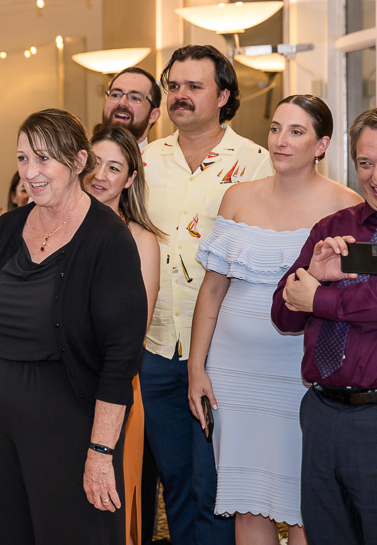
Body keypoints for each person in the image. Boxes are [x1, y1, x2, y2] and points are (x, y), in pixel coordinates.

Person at [0, 109, 146, 543]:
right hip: (1, 431)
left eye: (44, 159)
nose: (30, 173)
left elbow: (120, 360)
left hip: (70, 430)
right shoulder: (8, 227)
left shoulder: (108, 239)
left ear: (79, 161)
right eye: (23, 159)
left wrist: (100, 453)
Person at [185, 95, 358, 545]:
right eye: (276, 128)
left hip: (302, 376)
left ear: (321, 145)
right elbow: (212, 290)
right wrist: (196, 368)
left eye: (296, 132)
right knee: (248, 501)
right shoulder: (238, 197)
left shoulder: (347, 206)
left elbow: (354, 301)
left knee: (306, 505)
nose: (281, 141)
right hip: (233, 372)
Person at [141, 44, 272, 545]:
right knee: (174, 484)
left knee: (215, 488)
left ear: (223, 94)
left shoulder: (257, 163)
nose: (180, 95)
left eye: (194, 86)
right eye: (173, 86)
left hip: (224, 354)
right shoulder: (146, 159)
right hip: (155, 349)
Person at [272, 107, 377, 545]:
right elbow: (284, 312)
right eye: (366, 163)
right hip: (320, 413)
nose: (374, 175)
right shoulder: (336, 227)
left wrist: (318, 296)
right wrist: (315, 274)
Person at [84, 125, 163, 545]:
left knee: (112, 508)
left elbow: (136, 330)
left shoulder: (140, 240)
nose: (101, 175)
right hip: (55, 389)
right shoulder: (58, 230)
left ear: (130, 178)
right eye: (95, 162)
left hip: (113, 386)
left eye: (114, 167)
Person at [99, 68, 162, 149]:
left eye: (135, 98)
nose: (122, 103)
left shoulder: (160, 161)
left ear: (153, 115)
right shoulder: (84, 159)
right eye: (116, 95)